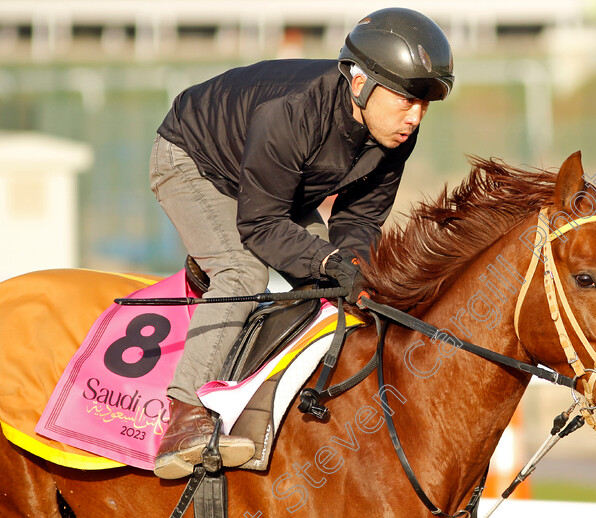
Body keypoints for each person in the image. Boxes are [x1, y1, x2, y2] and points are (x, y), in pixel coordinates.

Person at [149, 7, 454, 479]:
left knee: (336, 286)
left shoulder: (395, 133)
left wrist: (350, 265)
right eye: (404, 100)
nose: (415, 116)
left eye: (424, 104)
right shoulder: (291, 112)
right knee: (242, 269)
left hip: (275, 186)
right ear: (359, 84)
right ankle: (185, 416)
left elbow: (360, 219)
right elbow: (260, 225)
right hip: (194, 160)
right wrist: (329, 261)